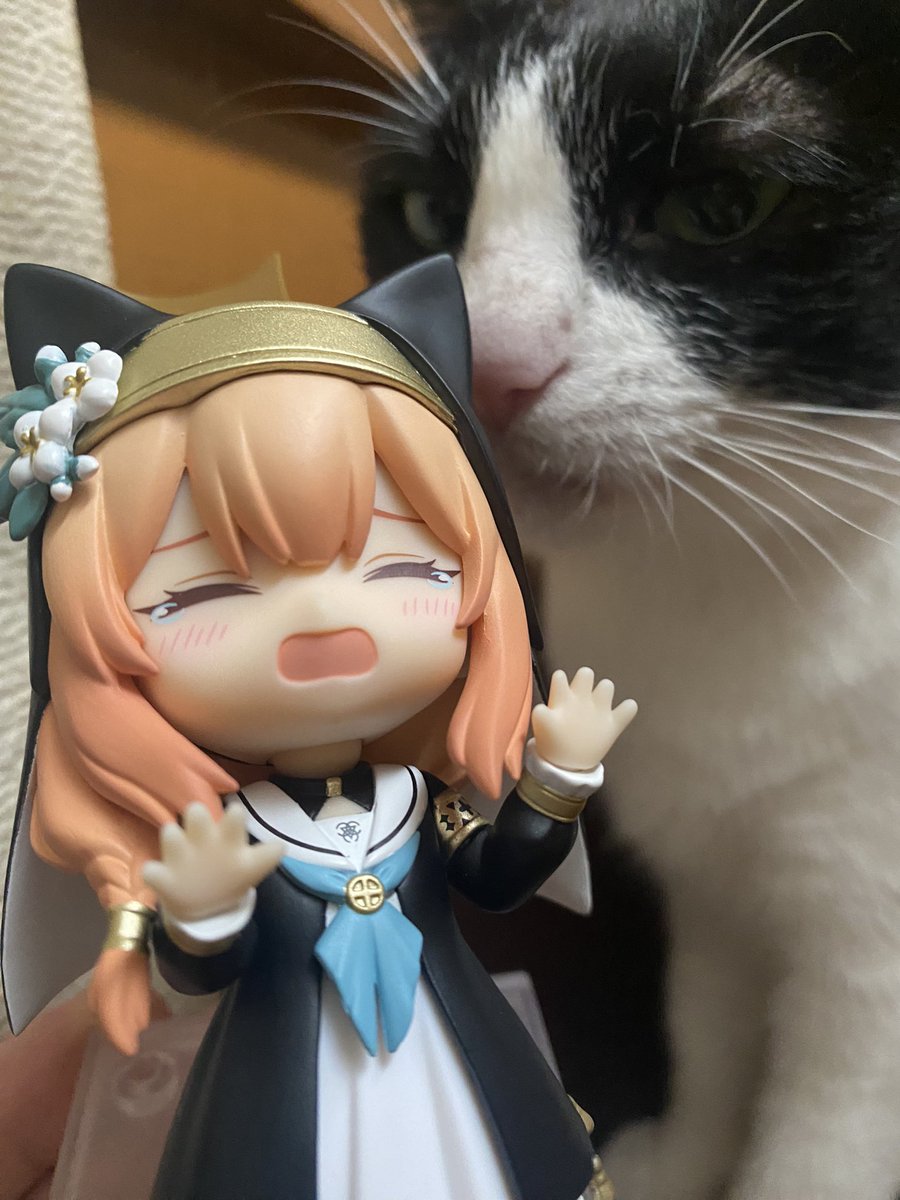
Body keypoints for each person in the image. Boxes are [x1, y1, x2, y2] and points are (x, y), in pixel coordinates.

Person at [0, 256, 634, 1200]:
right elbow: (200, 971)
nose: (326, 619)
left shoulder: (419, 799)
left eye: (407, 571)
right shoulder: (229, 829)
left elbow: (498, 876)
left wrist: (558, 780)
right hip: (283, 1095)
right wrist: (203, 913)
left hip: (452, 1065)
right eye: (202, 593)